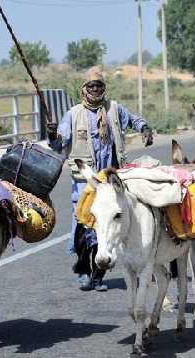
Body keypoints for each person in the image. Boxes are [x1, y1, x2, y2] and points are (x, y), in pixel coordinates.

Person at [47, 66, 154, 292]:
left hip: (112, 182)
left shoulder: (114, 109)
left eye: (98, 86)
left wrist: (144, 128)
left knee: (109, 230)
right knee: (85, 227)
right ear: (83, 89)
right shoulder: (73, 114)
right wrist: (51, 134)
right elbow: (59, 143)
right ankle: (84, 271)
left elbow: (134, 120)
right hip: (86, 182)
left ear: (103, 88)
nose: (95, 89)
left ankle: (98, 276)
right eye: (91, 86)